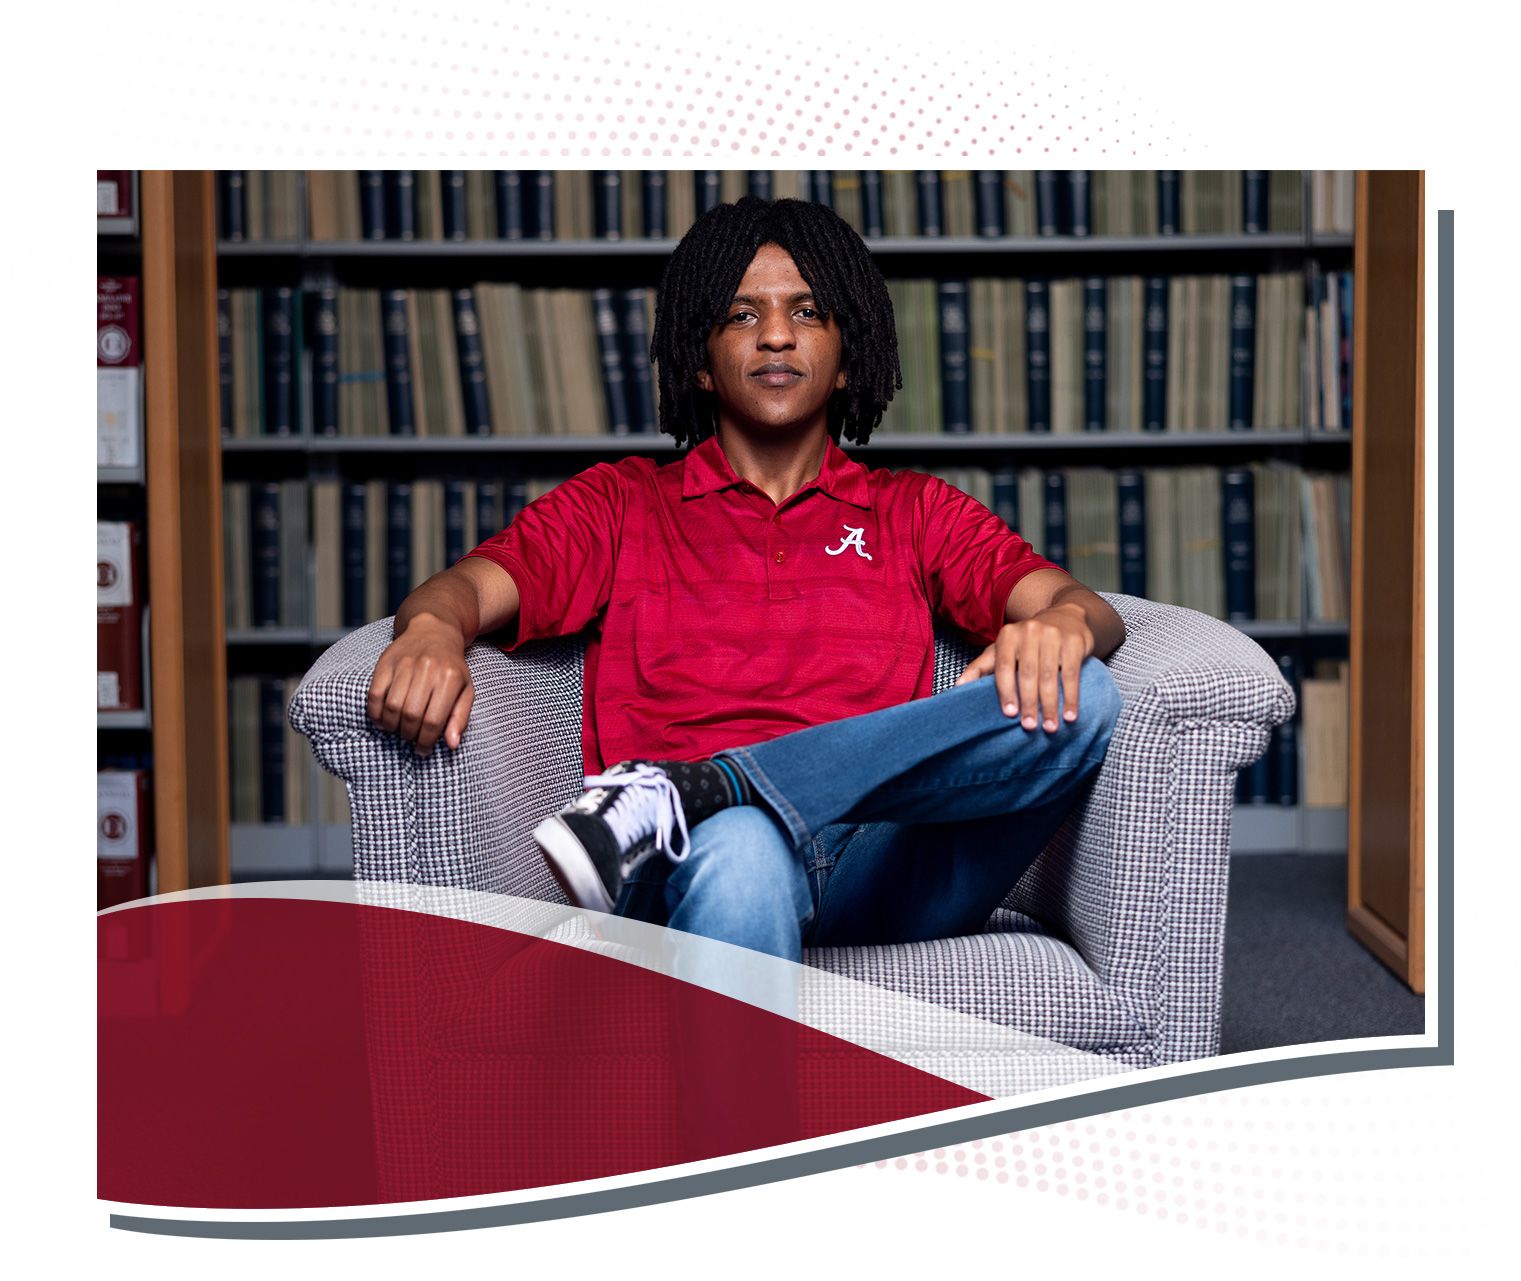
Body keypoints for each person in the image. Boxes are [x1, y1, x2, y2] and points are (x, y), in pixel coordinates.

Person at [366, 195, 1126, 966]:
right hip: (699, 862)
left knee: (1085, 695)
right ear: (699, 358)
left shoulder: (915, 510)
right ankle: (701, 809)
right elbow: (466, 588)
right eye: (739, 314)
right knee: (742, 846)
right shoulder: (620, 504)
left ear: (844, 356)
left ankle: (709, 784)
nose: (773, 334)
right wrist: (431, 629)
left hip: (879, 864)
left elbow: (1080, 609)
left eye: (806, 310)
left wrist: (1066, 622)